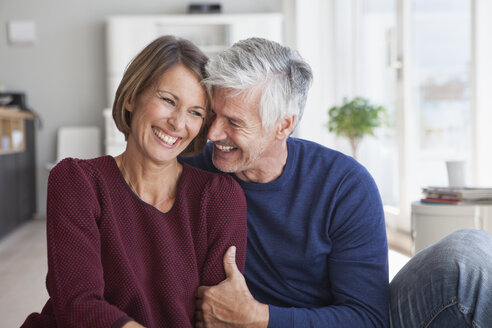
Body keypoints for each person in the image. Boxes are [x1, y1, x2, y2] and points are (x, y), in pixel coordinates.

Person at [182, 37, 492, 328]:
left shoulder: (344, 186)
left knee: (470, 253)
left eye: (234, 123)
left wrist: (259, 318)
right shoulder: (188, 170)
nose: (212, 134)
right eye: (213, 115)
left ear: (284, 125)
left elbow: (366, 318)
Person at [21, 35, 247, 328]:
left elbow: (216, 317)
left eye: (195, 112)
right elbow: (78, 305)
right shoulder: (78, 182)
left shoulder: (218, 197)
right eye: (168, 100)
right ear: (131, 97)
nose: (178, 124)